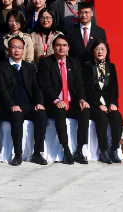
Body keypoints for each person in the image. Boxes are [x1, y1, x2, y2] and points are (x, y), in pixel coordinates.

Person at [36, 35, 91, 164]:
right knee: (60, 112)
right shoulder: (46, 62)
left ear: (68, 47)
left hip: (71, 103)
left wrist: (82, 99)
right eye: (58, 45)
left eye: (64, 45)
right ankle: (66, 151)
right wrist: (56, 100)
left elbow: (79, 85)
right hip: (54, 103)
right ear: (53, 47)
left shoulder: (74, 62)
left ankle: (79, 151)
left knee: (85, 111)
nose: (61, 48)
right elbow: (45, 86)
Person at [0, 35, 49, 166]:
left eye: (19, 48)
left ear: (23, 50)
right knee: (17, 116)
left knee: (42, 115)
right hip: (10, 106)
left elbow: (36, 88)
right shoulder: (1, 66)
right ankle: (18, 154)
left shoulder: (29, 67)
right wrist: (12, 105)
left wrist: (39, 103)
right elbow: (2, 89)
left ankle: (37, 153)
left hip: (28, 105)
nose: (17, 50)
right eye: (13, 47)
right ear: (8, 49)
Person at [83, 40, 123, 164]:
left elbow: (114, 87)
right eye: (97, 49)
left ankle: (114, 149)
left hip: (108, 103)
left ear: (107, 51)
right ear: (93, 51)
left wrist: (113, 103)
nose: (100, 51)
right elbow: (88, 88)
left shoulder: (111, 66)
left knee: (117, 117)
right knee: (102, 118)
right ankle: (103, 151)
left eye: (103, 49)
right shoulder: (87, 66)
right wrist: (98, 104)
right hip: (93, 104)